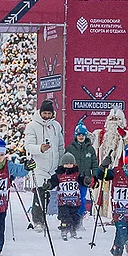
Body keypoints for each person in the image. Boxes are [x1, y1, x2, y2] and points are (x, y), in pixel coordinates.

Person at [24, 99, 64, 229]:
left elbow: (60, 145)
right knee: (40, 192)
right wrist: (40, 148)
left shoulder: (56, 126)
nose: (46, 116)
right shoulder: (32, 126)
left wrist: (61, 161)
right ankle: (38, 221)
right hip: (39, 165)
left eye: (49, 113)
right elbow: (28, 146)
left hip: (53, 165)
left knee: (47, 193)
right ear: (40, 113)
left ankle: (45, 217)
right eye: (44, 113)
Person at [46, 152, 92, 240]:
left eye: (70, 163)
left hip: (75, 201)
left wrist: (86, 181)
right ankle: (64, 229)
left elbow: (83, 181)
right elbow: (52, 182)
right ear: (62, 164)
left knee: (75, 217)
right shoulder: (58, 175)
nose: (68, 165)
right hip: (63, 201)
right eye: (66, 164)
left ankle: (73, 230)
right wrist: (48, 185)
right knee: (65, 217)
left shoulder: (77, 174)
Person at [65, 122, 98, 227]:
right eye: (79, 135)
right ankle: (71, 220)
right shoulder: (71, 148)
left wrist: (95, 176)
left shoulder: (90, 149)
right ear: (76, 135)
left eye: (83, 135)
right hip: (73, 179)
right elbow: (65, 161)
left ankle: (79, 220)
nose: (81, 136)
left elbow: (94, 163)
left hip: (85, 178)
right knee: (73, 199)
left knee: (82, 199)